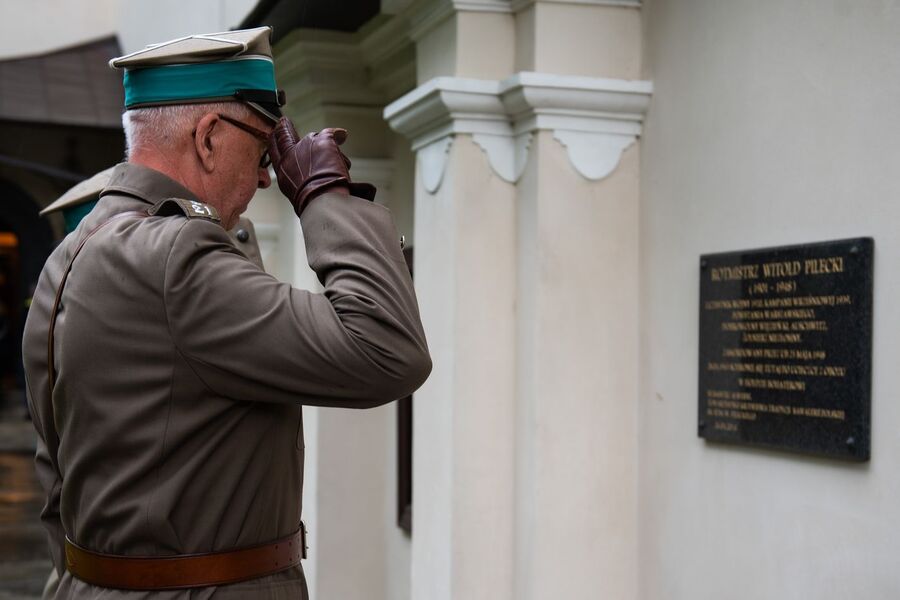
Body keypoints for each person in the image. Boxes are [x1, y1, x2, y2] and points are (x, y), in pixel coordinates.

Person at [22, 26, 431, 599]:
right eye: (264, 150)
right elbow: (387, 350)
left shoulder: (72, 254)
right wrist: (321, 193)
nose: (268, 176)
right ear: (210, 137)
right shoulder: (175, 256)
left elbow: (54, 481)